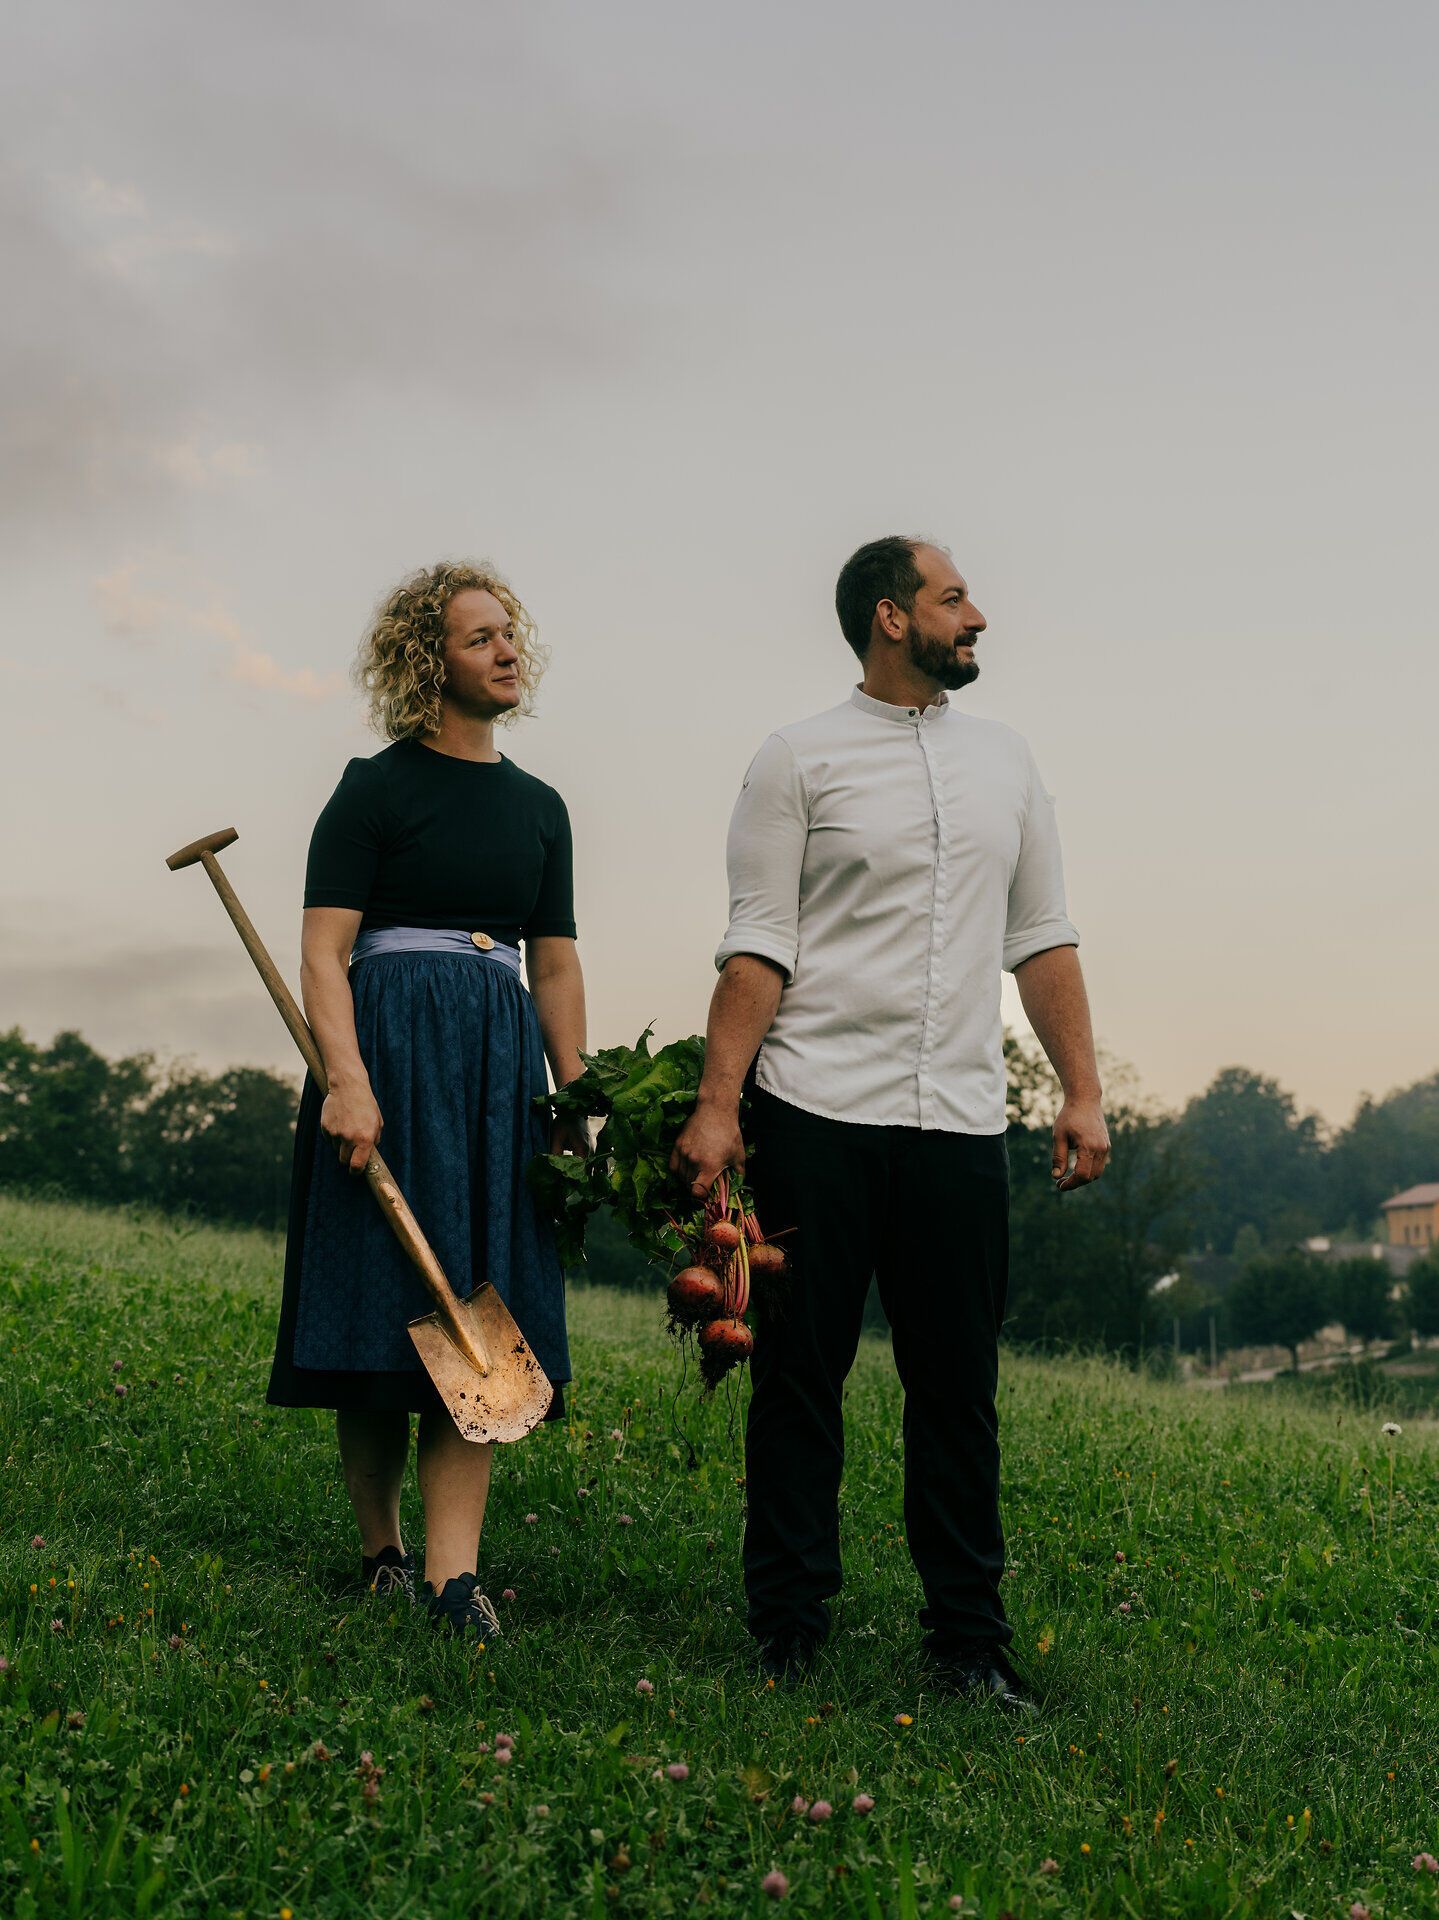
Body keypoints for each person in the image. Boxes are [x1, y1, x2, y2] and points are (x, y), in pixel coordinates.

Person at [672, 535, 1108, 1709]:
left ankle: (967, 1645)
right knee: (798, 1380)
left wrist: (1079, 1088)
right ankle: (785, 1630)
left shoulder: (1007, 762)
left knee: (957, 1388)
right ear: (889, 617)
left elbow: (1040, 935)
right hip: (813, 1109)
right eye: (953, 598)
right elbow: (756, 942)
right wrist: (718, 1107)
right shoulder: (795, 759)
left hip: (958, 1123)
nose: (977, 617)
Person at [267, 561, 588, 1636]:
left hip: (495, 1070)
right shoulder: (374, 789)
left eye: (509, 633)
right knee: (379, 1304)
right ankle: (383, 1555)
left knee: (475, 1301)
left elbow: (554, 965)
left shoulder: (540, 809)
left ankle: (456, 1580)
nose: (506, 650)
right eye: (478, 637)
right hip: (388, 1058)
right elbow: (323, 953)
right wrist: (348, 1084)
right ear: (427, 661)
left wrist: (574, 1096)